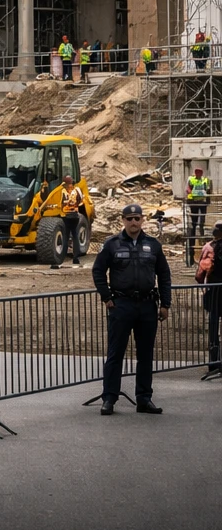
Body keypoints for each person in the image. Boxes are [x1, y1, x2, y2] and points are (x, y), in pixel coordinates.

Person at [91, 203, 172, 415]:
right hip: (122, 305)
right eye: (129, 219)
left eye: (137, 218)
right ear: (123, 220)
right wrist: (106, 297)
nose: (134, 222)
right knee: (115, 353)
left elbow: (164, 275)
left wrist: (165, 304)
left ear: (143, 220)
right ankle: (109, 398)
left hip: (147, 306)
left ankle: (144, 399)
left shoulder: (153, 245)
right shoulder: (112, 245)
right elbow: (98, 271)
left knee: (145, 355)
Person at [195, 220, 222, 376]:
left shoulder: (209, 248)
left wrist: (202, 283)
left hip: (213, 294)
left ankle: (214, 363)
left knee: (213, 328)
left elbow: (201, 272)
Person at [56, 175, 83, 266]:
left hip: (66, 215)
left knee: (66, 236)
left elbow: (60, 202)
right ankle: (76, 258)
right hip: (75, 215)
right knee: (75, 235)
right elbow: (80, 200)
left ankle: (62, 257)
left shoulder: (62, 190)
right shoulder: (77, 190)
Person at [186, 167, 211, 242]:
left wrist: (208, 200)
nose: (198, 173)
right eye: (197, 171)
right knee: (194, 219)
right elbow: (188, 189)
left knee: (202, 220)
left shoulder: (205, 180)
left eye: (200, 172)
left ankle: (201, 236)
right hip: (194, 202)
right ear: (195, 172)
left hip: (202, 202)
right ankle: (193, 236)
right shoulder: (191, 179)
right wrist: (191, 194)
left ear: (202, 173)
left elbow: (208, 189)